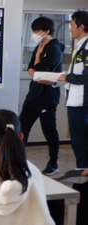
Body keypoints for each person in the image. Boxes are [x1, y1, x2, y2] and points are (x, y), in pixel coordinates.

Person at [19, 17, 65, 176]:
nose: (33, 34)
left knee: (49, 131)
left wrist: (37, 63)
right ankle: (18, 161)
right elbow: (31, 70)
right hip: (32, 95)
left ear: (46, 31)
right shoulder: (39, 46)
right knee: (21, 128)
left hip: (47, 97)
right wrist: (35, 69)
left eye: (36, 31)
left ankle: (53, 163)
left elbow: (37, 71)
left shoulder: (54, 48)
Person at [56, 10, 88, 169]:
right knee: (78, 140)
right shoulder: (79, 46)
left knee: (80, 141)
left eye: (72, 25)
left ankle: (82, 171)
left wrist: (66, 78)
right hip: (75, 100)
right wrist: (60, 79)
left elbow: (85, 77)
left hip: (82, 104)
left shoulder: (87, 48)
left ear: (81, 27)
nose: (70, 29)